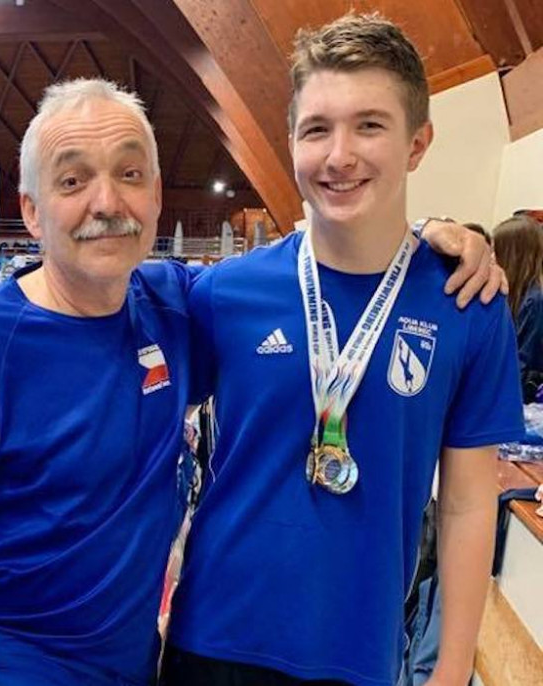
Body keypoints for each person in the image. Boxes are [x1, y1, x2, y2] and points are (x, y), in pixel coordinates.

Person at [0, 78, 503, 686]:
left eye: (129, 175)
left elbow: (334, 267)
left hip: (138, 666)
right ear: (30, 210)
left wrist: (428, 234)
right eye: (72, 181)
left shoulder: (176, 308)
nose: (106, 202)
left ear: (155, 195)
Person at [162, 15, 524, 686]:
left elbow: (468, 504)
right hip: (212, 641)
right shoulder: (226, 292)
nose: (339, 155)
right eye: (317, 129)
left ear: (418, 143)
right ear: (291, 142)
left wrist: (451, 666)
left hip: (358, 652)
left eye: (370, 125)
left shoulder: (467, 304)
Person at [493, 214, 543, 400]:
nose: (491, 257)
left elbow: (521, 363)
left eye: (496, 251)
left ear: (512, 256)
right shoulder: (510, 295)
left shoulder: (534, 301)